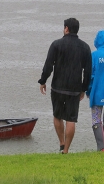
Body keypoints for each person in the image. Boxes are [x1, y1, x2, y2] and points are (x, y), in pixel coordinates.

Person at [38, 18, 92, 154]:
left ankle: (61, 143)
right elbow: (88, 71)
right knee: (71, 119)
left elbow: (48, 65)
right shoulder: (85, 47)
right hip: (74, 89)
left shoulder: (56, 44)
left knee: (57, 116)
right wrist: (83, 89)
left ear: (66, 28)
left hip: (57, 87)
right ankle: (66, 149)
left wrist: (43, 80)